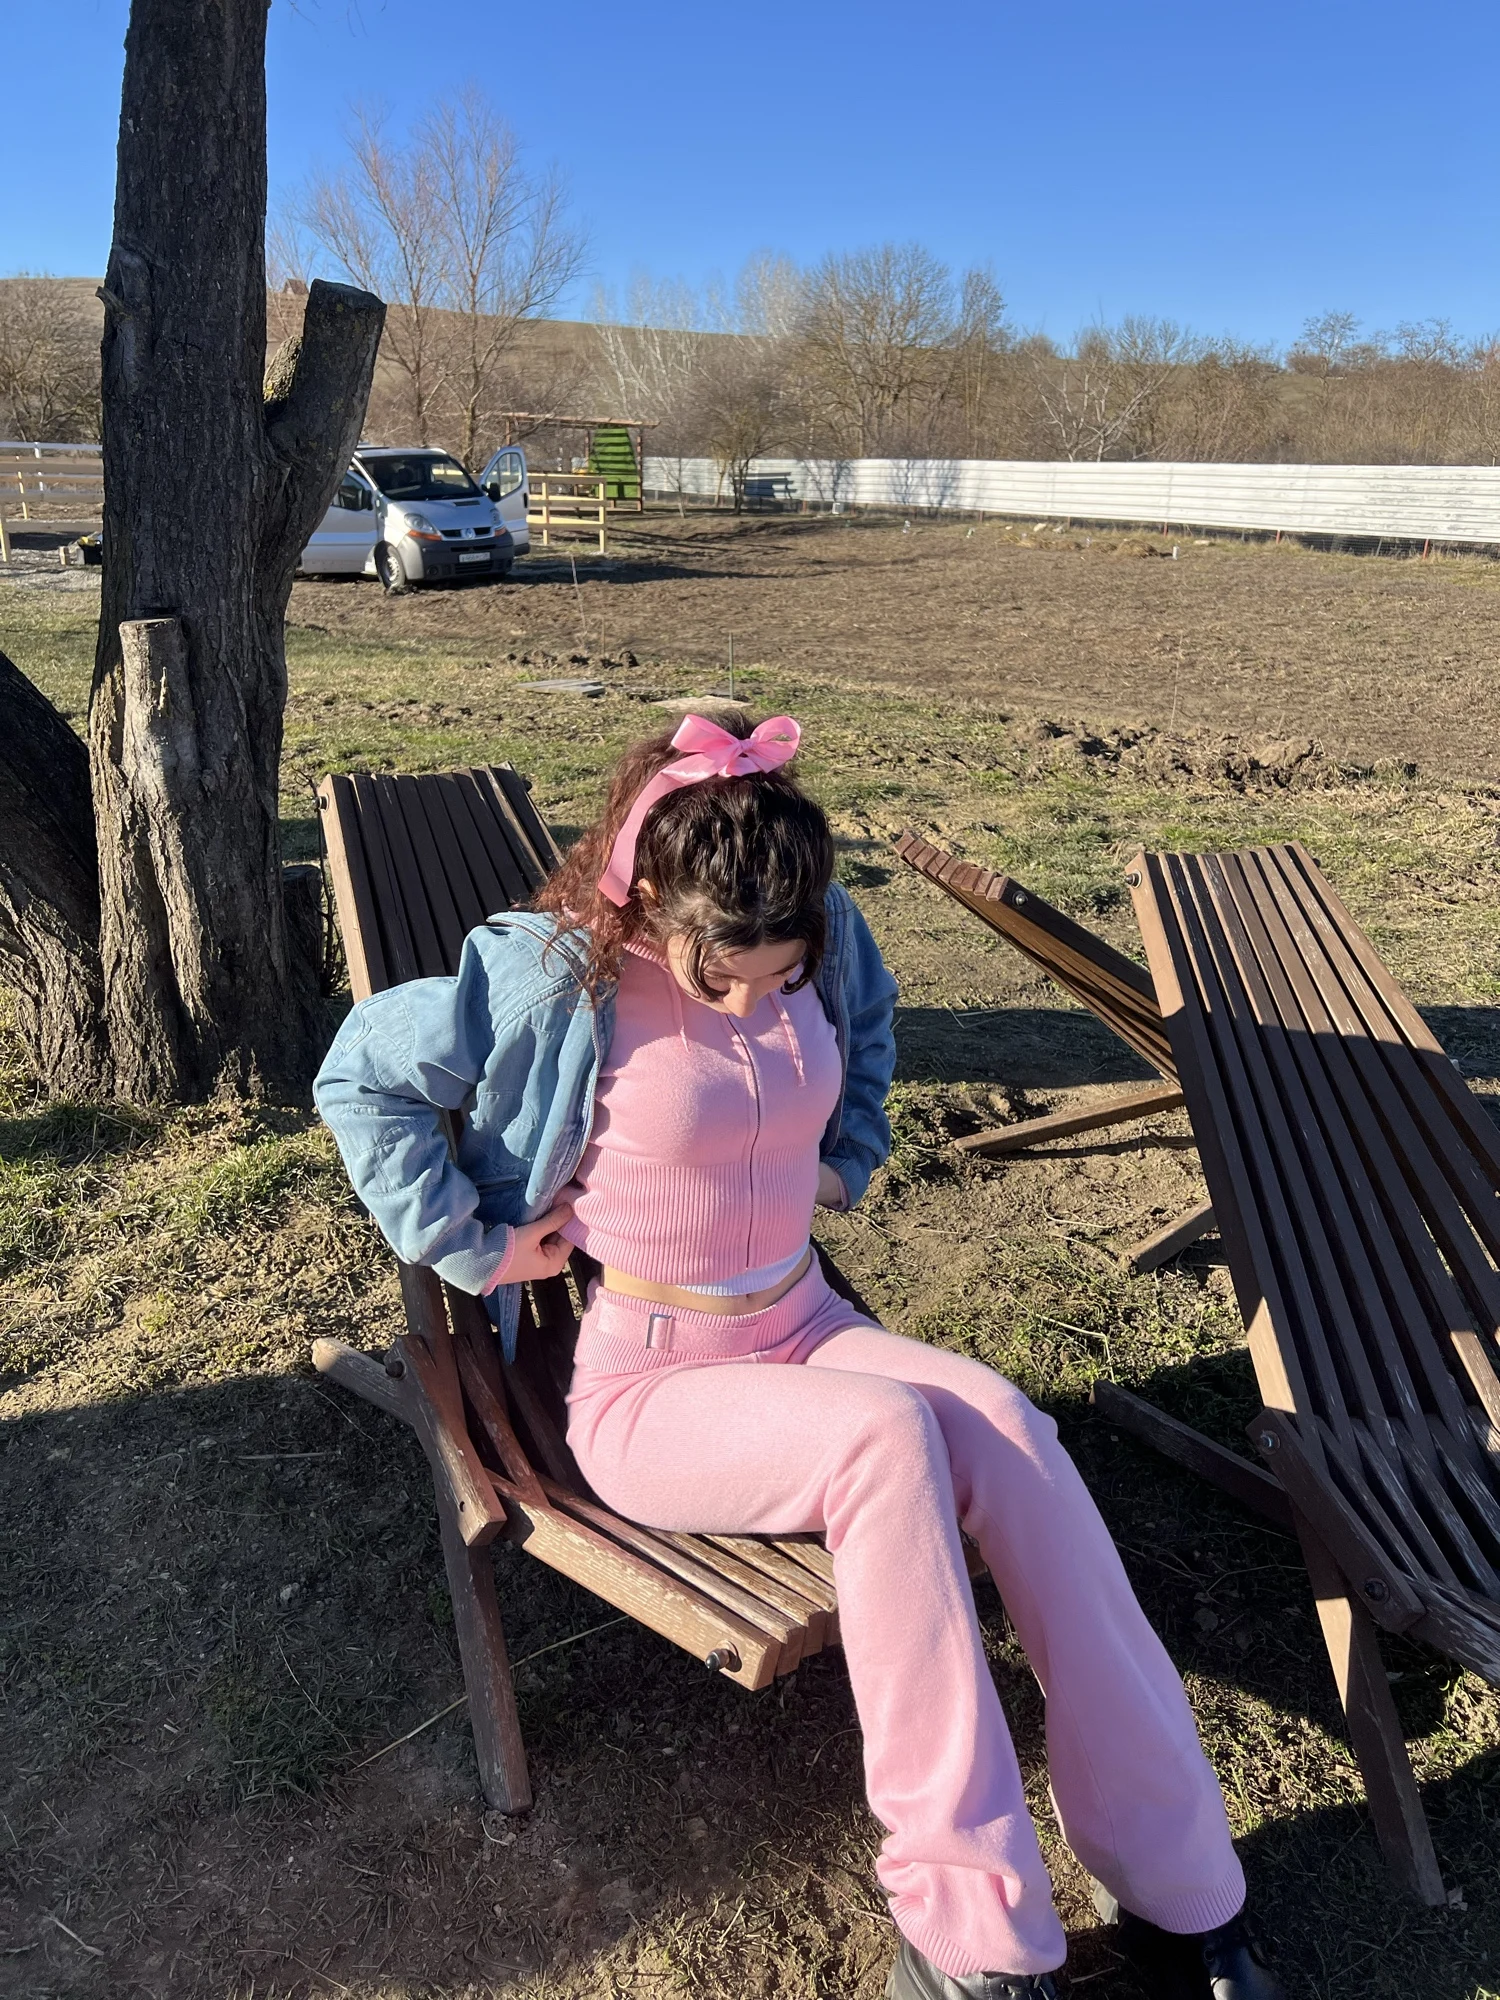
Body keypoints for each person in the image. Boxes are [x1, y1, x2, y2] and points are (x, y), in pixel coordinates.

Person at [314, 712, 1283, 2000]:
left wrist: (848, 1154)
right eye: (725, 979)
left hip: (809, 1325)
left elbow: (865, 1028)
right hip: (653, 1381)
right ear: (649, 902)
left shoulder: (821, 936)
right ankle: (970, 1929)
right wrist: (474, 1245)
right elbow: (361, 1075)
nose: (755, 1002)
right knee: (888, 1438)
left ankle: (1182, 1888)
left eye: (780, 981)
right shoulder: (550, 979)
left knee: (1012, 1428)